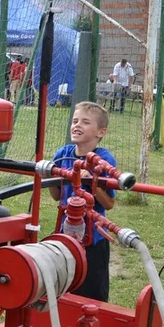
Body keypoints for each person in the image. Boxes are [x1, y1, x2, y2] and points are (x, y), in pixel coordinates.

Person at [47, 101, 117, 302]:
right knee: (63, 288)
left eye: (85, 122)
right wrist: (50, 176)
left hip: (92, 239)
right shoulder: (63, 155)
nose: (77, 125)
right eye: (75, 120)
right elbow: (55, 195)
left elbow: (109, 204)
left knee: (92, 293)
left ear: (100, 132)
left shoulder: (104, 159)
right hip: (65, 233)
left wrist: (91, 183)